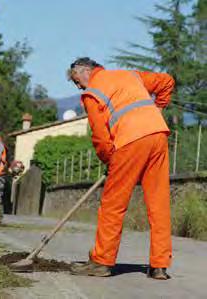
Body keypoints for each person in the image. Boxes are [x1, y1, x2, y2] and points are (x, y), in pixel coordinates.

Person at [68, 57, 175, 280]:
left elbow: (100, 137)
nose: (78, 86)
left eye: (77, 81)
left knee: (112, 205)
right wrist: (158, 110)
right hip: (158, 136)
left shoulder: (91, 94)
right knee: (159, 203)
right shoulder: (129, 75)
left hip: (130, 142)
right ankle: (159, 266)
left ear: (86, 71)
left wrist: (110, 160)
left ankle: (101, 262)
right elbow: (166, 81)